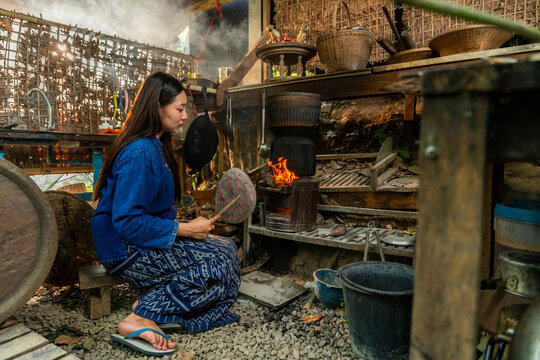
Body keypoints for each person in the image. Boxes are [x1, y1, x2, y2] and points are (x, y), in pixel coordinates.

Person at [91, 72, 240, 355]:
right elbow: (126, 221)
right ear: (157, 106)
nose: (185, 116)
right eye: (180, 109)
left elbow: (151, 212)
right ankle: (142, 314)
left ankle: (156, 302)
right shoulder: (140, 152)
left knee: (227, 250)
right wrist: (184, 230)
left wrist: (187, 227)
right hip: (123, 250)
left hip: (139, 241)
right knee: (219, 261)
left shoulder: (157, 145)